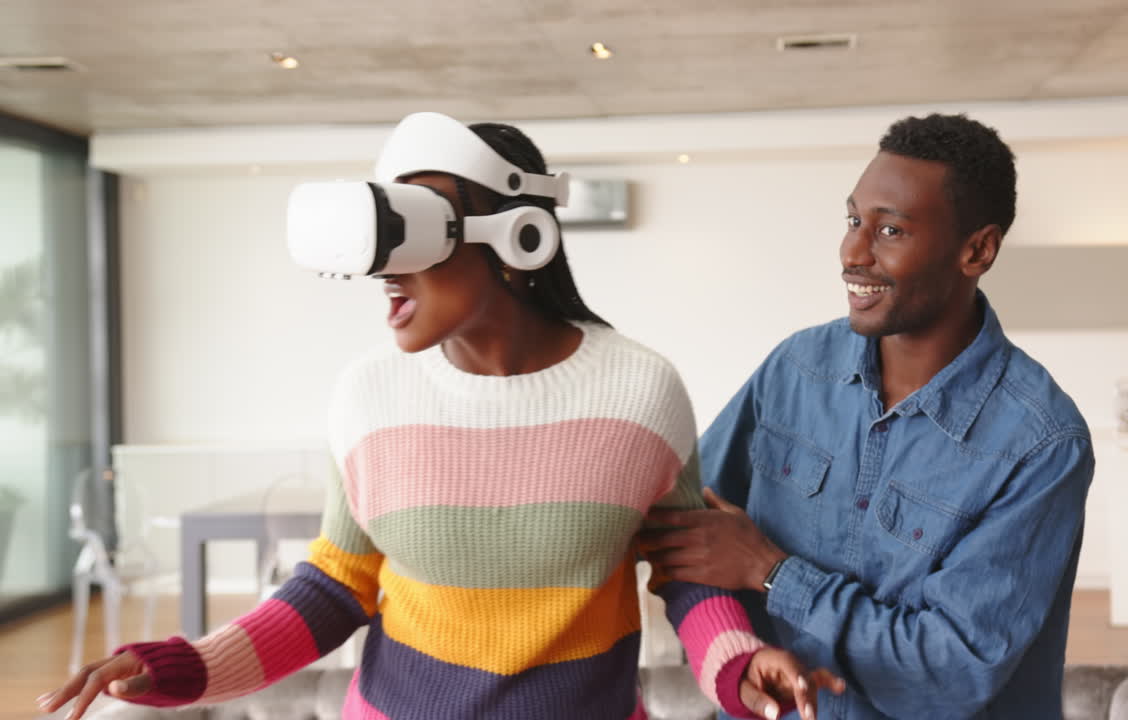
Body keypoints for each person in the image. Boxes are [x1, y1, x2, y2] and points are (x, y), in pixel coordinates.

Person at [38, 114, 842, 720]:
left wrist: (740, 664)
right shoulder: (368, 395)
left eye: (413, 227)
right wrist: (187, 667)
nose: (386, 267)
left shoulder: (641, 390)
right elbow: (334, 588)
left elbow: (688, 573)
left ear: (520, 236)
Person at [639, 114, 1095, 719]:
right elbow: (686, 537)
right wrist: (735, 656)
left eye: (891, 230)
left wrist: (774, 573)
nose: (852, 252)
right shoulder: (797, 368)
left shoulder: (1041, 444)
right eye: (855, 220)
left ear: (976, 249)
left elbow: (949, 673)